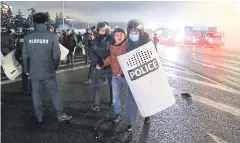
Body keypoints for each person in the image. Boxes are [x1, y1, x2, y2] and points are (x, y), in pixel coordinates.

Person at [22, 12, 72, 124]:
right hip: (48, 69)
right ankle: (60, 114)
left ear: (34, 22)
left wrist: (26, 71)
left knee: (36, 93)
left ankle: (39, 115)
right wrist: (54, 66)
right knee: (54, 92)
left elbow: (24, 56)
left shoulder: (28, 37)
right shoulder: (52, 36)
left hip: (33, 70)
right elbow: (56, 55)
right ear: (46, 22)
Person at [89, 22, 113, 111]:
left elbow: (114, 53)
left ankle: (112, 101)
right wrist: (97, 63)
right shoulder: (95, 40)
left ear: (107, 30)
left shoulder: (112, 40)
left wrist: (107, 62)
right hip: (99, 67)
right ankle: (96, 104)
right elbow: (91, 53)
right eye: (100, 30)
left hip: (110, 67)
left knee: (112, 86)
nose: (101, 32)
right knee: (97, 86)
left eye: (103, 30)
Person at [15, 29, 32, 96]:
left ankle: (25, 89)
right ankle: (32, 89)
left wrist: (19, 59)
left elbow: (17, 51)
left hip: (23, 58)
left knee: (25, 74)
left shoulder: (20, 39)